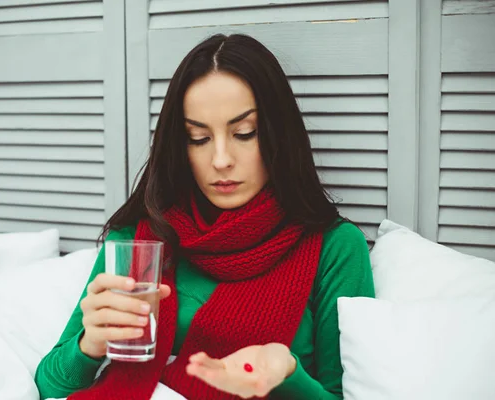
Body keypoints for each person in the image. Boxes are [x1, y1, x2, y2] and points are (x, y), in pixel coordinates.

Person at [34, 33, 375, 400]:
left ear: (278, 135)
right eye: (198, 138)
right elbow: (50, 384)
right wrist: (88, 345)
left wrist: (286, 376)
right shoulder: (137, 240)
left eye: (245, 133)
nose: (221, 160)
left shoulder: (334, 248)